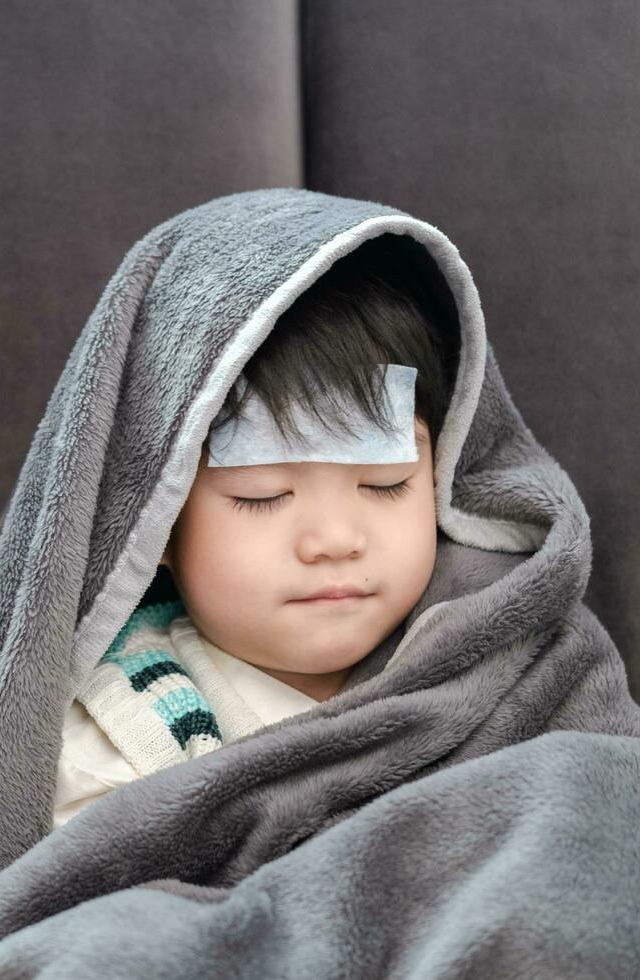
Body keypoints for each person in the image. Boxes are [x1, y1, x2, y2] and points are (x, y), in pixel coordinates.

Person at [53, 232, 459, 829]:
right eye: (262, 495)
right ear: (155, 522)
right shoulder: (120, 747)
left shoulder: (499, 655)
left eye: (385, 482)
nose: (334, 540)